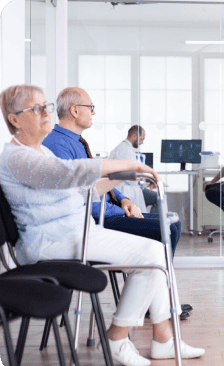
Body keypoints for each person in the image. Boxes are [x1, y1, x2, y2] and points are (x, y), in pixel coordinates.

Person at [0, 85, 204, 366]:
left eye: (45, 106)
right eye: (37, 109)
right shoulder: (16, 158)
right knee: (152, 255)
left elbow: (81, 190)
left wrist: (122, 176)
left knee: (156, 250)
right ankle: (118, 337)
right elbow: (67, 173)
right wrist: (127, 163)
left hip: (74, 233)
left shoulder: (42, 151)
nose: (47, 113)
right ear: (14, 119)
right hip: (50, 242)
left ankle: (163, 339)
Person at [42, 87, 191, 319]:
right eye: (90, 107)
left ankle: (157, 299)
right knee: (166, 228)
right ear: (74, 110)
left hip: (109, 211)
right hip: (95, 219)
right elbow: (76, 196)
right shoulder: (58, 145)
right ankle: (156, 303)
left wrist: (124, 199)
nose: (93, 112)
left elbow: (95, 181)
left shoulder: (77, 142)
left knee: (172, 224)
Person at [108, 125, 158, 213]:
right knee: (158, 197)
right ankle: (157, 224)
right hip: (124, 190)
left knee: (153, 196)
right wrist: (145, 179)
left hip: (125, 187)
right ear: (134, 136)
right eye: (142, 139)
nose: (141, 142)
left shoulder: (123, 148)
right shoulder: (125, 151)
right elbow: (131, 178)